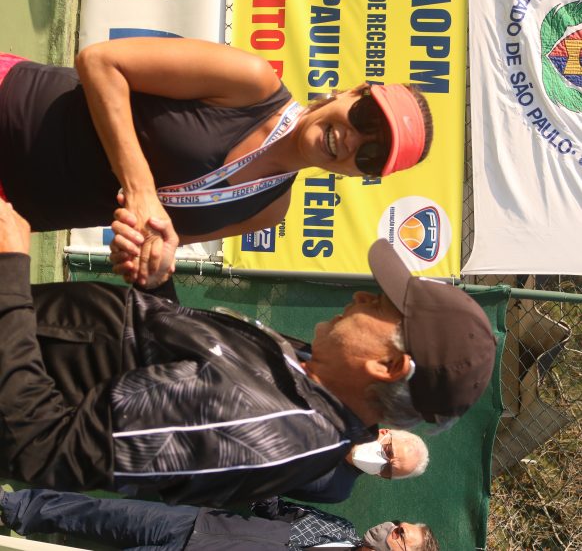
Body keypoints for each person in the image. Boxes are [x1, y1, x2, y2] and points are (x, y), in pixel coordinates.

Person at [0, 199, 495, 505]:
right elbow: (170, 371)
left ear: (387, 365)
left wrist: (10, 268)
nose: (363, 296)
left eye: (380, 305)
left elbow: (42, 447)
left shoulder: (266, 425)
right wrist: (156, 286)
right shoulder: (313, 382)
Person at [0, 38, 433, 284]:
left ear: (361, 174)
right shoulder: (252, 82)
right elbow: (99, 62)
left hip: (20, 210)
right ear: (351, 92)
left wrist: (147, 258)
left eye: (371, 155)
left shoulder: (270, 210)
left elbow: (153, 234)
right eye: (365, 116)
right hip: (15, 111)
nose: (353, 138)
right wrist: (140, 188)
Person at [0, 488, 439, 551]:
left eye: (401, 534)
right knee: (100, 513)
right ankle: (13, 508)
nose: (391, 526)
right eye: (398, 523)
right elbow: (272, 507)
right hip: (198, 525)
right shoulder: (339, 530)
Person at [289, 428, 430, 503]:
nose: (382, 461)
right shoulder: (339, 415)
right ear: (383, 432)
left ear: (382, 477)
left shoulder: (337, 491)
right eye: (388, 451)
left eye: (387, 470)